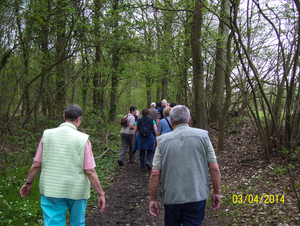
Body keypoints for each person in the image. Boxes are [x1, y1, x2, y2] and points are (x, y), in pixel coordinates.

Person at [20, 104, 105, 226]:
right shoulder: (83, 139)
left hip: (52, 188)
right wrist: (100, 193)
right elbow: (90, 171)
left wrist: (28, 183)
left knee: (53, 223)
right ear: (78, 119)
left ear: (64, 116)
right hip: (77, 190)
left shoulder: (47, 135)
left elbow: (36, 164)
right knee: (77, 223)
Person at [149, 105, 221, 225]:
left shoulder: (162, 141)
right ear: (189, 120)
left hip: (172, 196)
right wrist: (217, 192)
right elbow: (214, 168)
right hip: (197, 194)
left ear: (171, 121)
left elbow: (155, 173)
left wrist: (153, 198)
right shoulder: (203, 136)